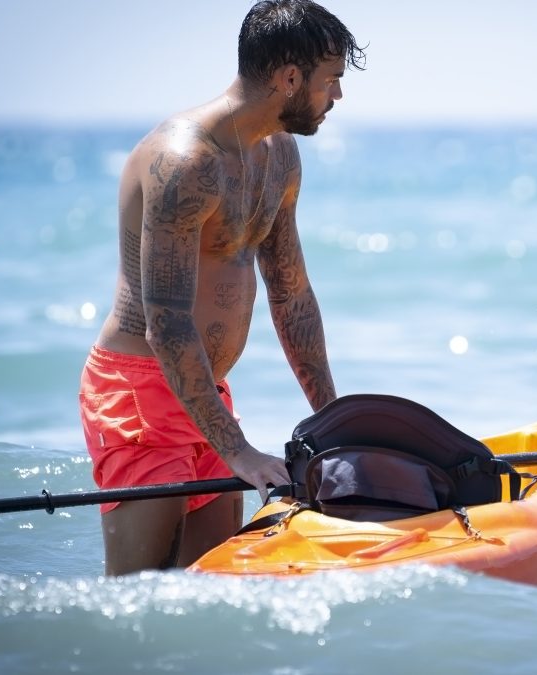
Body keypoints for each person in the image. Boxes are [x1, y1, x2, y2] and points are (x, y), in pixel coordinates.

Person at [78, 0, 365, 575]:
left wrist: (335, 423)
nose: (337, 96)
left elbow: (292, 295)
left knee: (207, 591)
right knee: (140, 600)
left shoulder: (279, 156)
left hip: (206, 394)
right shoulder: (184, 161)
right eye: (330, 80)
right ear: (289, 78)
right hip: (139, 396)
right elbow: (167, 321)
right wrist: (237, 450)